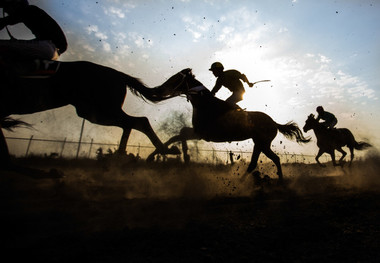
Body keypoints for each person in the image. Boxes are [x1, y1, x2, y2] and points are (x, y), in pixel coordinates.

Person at [0, 0, 67, 64]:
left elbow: (6, 21)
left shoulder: (28, 10)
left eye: (7, 9)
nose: (7, 12)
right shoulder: (32, 11)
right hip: (53, 53)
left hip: (48, 48)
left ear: (15, 4)